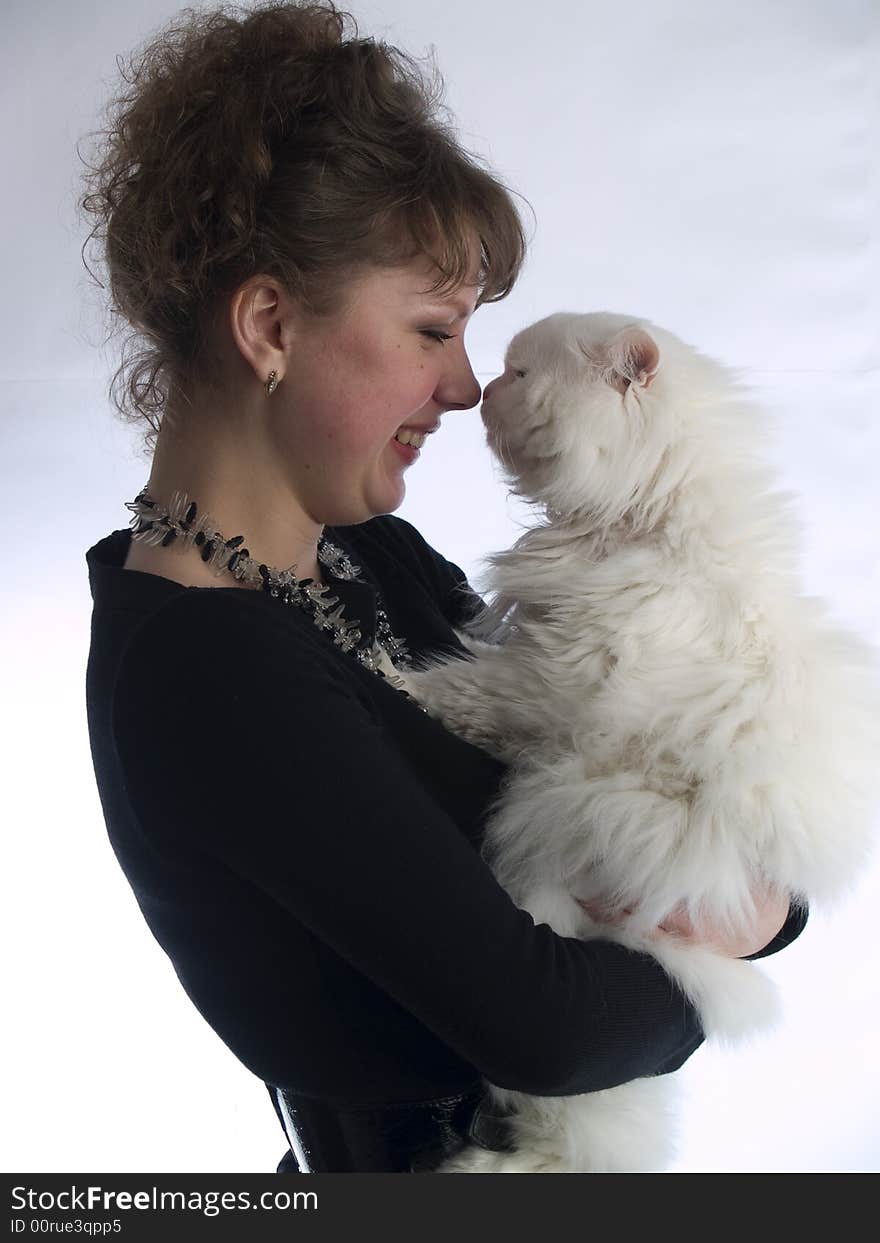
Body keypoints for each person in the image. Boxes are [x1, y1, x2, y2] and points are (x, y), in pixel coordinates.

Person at [80, 1, 805, 1173]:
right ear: (269, 325)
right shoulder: (205, 665)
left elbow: (656, 777)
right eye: (432, 328)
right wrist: (733, 927)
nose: (467, 388)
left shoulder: (366, 557)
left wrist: (760, 902)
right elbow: (550, 1028)